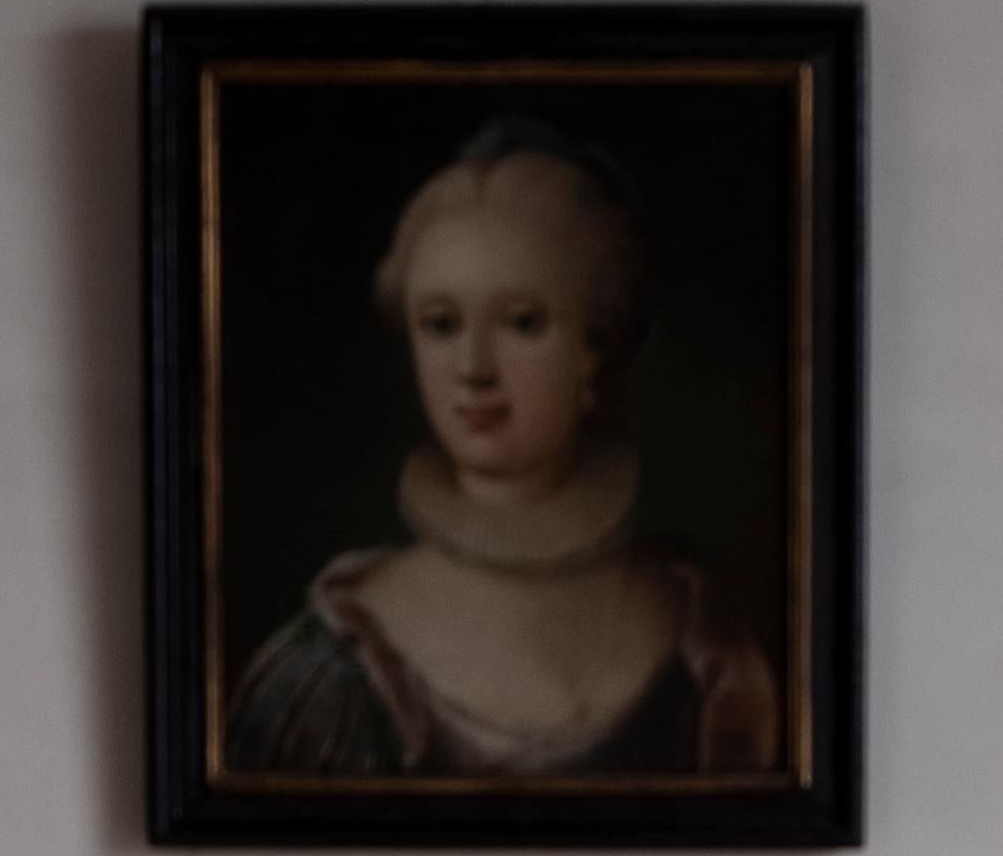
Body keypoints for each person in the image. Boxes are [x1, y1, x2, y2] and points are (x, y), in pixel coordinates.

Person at [225, 121, 780, 782]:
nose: (473, 367)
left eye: (523, 321)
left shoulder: (708, 649)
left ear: (595, 347)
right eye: (440, 324)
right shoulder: (332, 668)